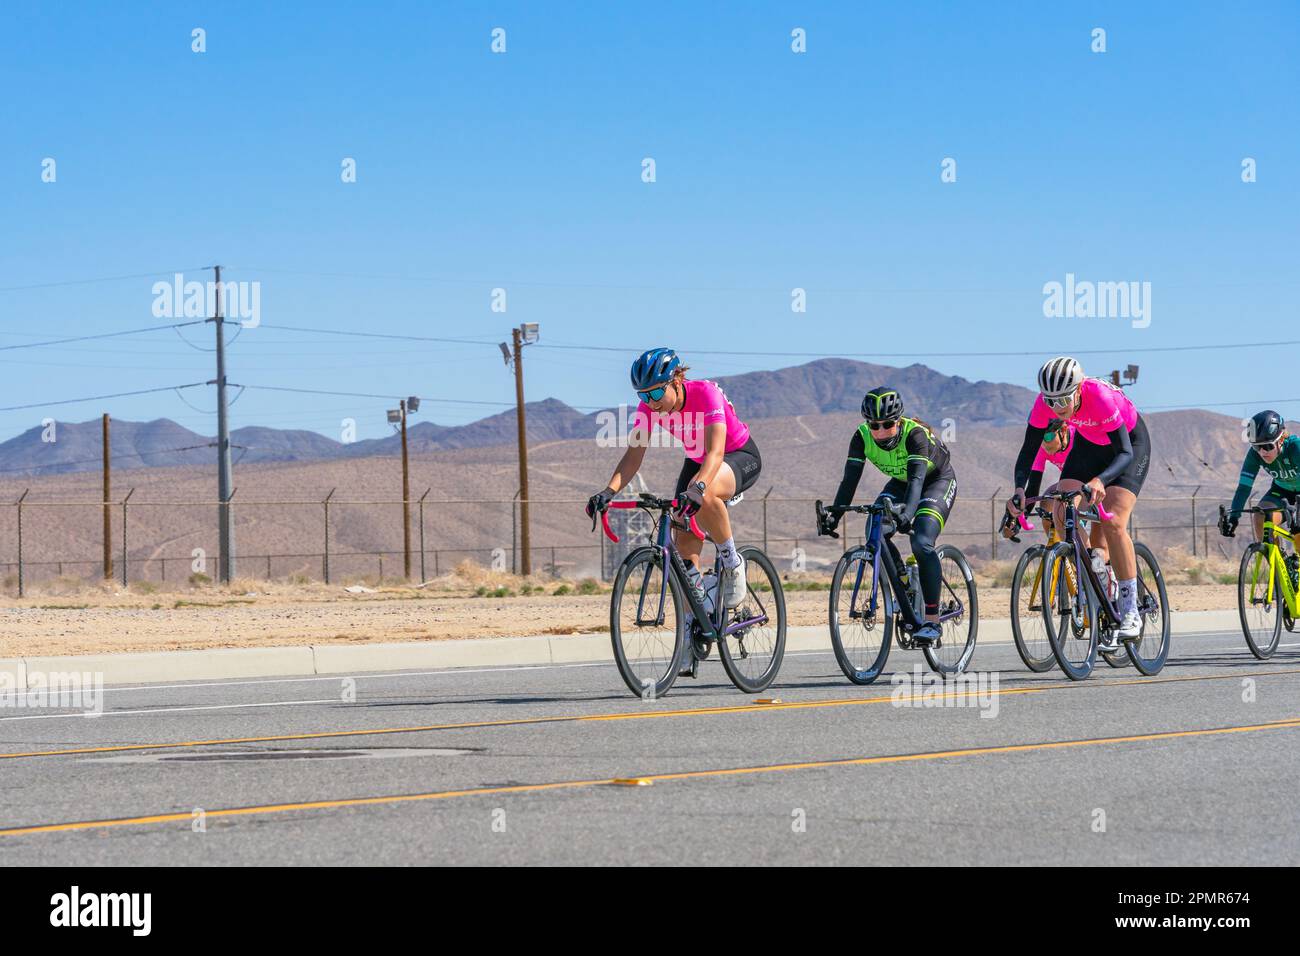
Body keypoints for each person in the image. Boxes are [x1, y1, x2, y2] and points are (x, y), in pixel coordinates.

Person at [586, 348, 761, 612]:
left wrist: (699, 487)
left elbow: (716, 452)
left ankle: (732, 563)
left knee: (704, 492)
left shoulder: (705, 393)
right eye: (643, 395)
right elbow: (634, 456)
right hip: (697, 460)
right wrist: (608, 491)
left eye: (656, 392)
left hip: (736, 454)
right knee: (682, 547)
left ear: (676, 380)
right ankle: (696, 622)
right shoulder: (648, 408)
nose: (652, 401)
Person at [1007, 356, 1151, 645]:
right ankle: (1096, 568)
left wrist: (1100, 481)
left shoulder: (1099, 396)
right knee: (1061, 508)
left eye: (1064, 400)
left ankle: (1130, 609)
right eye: (1051, 401)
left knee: (1114, 521)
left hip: (1128, 448)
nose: (1058, 408)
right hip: (1089, 446)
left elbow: (1124, 452)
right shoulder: (1042, 405)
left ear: (1079, 389)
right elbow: (1028, 452)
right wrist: (1020, 491)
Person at [821, 387, 956, 645]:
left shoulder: (914, 435)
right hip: (901, 483)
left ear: (898, 420)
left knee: (921, 542)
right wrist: (835, 515)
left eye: (887, 424)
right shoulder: (861, 437)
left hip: (935, 481)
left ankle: (932, 619)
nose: (881, 431)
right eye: (875, 425)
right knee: (875, 528)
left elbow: (917, 481)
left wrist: (908, 513)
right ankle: (903, 580)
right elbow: (850, 481)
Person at [1222, 410, 1300, 541]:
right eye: (1257, 447)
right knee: (1260, 517)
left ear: (1281, 439)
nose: (1263, 452)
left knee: (1298, 538)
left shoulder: (1295, 448)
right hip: (1281, 491)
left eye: (1267, 446)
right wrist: (1234, 517)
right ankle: (1273, 560)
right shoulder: (1254, 455)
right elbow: (1244, 488)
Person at [1001, 420, 1075, 539]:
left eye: (1048, 436)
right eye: (1039, 438)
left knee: (1064, 505)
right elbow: (1033, 487)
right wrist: (1018, 522)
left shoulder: (1077, 436)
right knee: (1047, 503)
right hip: (1070, 483)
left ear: (1063, 430)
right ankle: (1058, 553)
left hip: (1096, 482)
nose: (1044, 444)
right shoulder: (1042, 449)